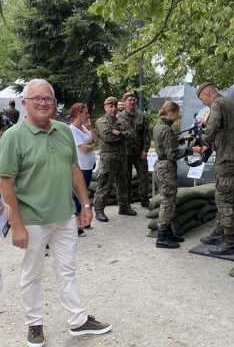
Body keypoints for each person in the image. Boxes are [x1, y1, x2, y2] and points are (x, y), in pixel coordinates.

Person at [0, 79, 111, 347]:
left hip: (64, 216)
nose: (42, 103)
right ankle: (34, 325)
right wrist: (16, 224)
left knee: (67, 269)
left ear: (54, 103)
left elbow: (74, 170)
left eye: (47, 98)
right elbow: (5, 182)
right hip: (32, 219)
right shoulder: (13, 137)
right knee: (32, 274)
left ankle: (77, 320)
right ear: (24, 103)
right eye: (36, 98)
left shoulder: (63, 130)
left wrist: (85, 205)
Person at [196, 83, 234, 255]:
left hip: (227, 158)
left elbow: (210, 131)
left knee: (223, 199)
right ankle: (218, 232)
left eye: (203, 100)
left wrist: (201, 139)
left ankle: (229, 241)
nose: (204, 104)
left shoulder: (217, 104)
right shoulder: (230, 104)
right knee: (225, 196)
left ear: (208, 93)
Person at [153, 101, 195, 248]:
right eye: (177, 114)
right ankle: (162, 237)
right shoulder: (166, 129)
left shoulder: (160, 126)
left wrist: (182, 139)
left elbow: (166, 143)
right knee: (168, 201)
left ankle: (169, 232)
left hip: (161, 166)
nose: (178, 117)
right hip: (166, 168)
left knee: (169, 200)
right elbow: (172, 153)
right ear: (171, 113)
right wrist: (193, 150)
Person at [94, 96, 136, 221]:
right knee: (105, 184)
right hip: (108, 159)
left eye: (115, 106)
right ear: (105, 107)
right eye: (110, 106)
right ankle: (99, 210)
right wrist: (121, 135)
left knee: (123, 183)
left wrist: (119, 133)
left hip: (122, 157)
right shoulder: (101, 121)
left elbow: (132, 134)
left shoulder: (121, 120)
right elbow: (108, 137)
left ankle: (124, 207)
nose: (113, 109)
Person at [68, 103, 96, 236]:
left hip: (89, 165)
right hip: (81, 166)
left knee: (84, 194)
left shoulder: (84, 127)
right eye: (86, 113)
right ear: (78, 113)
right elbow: (83, 149)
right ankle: (77, 226)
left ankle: (84, 220)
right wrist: (92, 145)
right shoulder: (72, 130)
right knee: (78, 195)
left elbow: (94, 139)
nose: (88, 115)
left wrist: (91, 140)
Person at [120, 92, 151, 208]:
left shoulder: (141, 116)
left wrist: (145, 150)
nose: (132, 102)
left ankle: (144, 199)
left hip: (139, 152)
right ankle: (127, 201)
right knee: (125, 177)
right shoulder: (119, 117)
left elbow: (146, 134)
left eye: (134, 100)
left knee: (143, 176)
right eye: (129, 100)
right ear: (124, 102)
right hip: (125, 152)